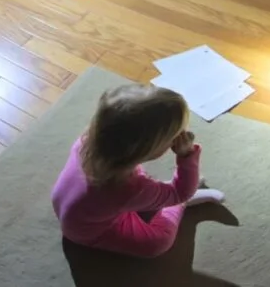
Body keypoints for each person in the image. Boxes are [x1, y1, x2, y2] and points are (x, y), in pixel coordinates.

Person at [51, 84, 225, 258]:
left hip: (77, 213)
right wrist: (187, 155)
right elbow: (182, 193)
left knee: (129, 198)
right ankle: (177, 207)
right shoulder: (131, 188)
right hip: (90, 232)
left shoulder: (86, 141)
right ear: (150, 149)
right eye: (173, 137)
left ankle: (157, 198)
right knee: (158, 244)